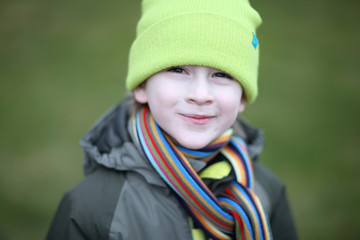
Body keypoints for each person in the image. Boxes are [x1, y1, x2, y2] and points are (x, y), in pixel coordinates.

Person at [46, 0, 297, 239]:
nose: (200, 95)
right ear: (142, 86)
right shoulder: (92, 209)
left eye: (221, 74)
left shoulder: (266, 192)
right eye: (178, 70)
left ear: (242, 97)